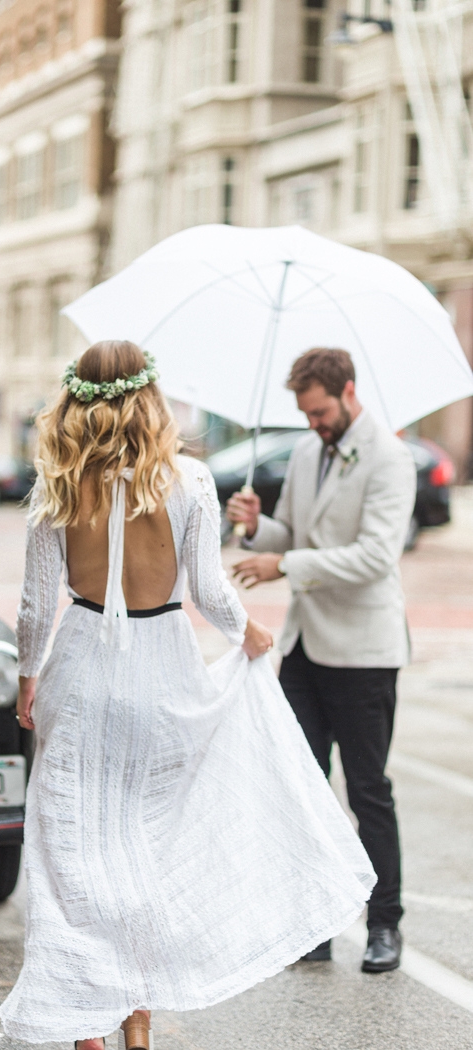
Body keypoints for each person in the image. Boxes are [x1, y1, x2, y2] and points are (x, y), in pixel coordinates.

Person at [0, 341, 375, 1048]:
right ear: (150, 396)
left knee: (72, 851)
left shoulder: (58, 480)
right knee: (150, 847)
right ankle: (138, 1019)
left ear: (77, 398)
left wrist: (27, 673)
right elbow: (209, 593)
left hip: (81, 671)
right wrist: (250, 633)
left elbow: (31, 606)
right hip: (163, 669)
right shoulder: (190, 481)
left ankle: (86, 1027)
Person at [227, 347, 416, 974]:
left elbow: (373, 557)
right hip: (304, 650)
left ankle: (384, 925)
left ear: (349, 391)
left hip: (364, 654)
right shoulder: (308, 452)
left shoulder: (389, 458)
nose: (313, 423)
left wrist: (281, 563)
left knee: (368, 791)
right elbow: (301, 540)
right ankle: (315, 926)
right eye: (306, 413)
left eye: (321, 411)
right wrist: (261, 529)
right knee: (305, 790)